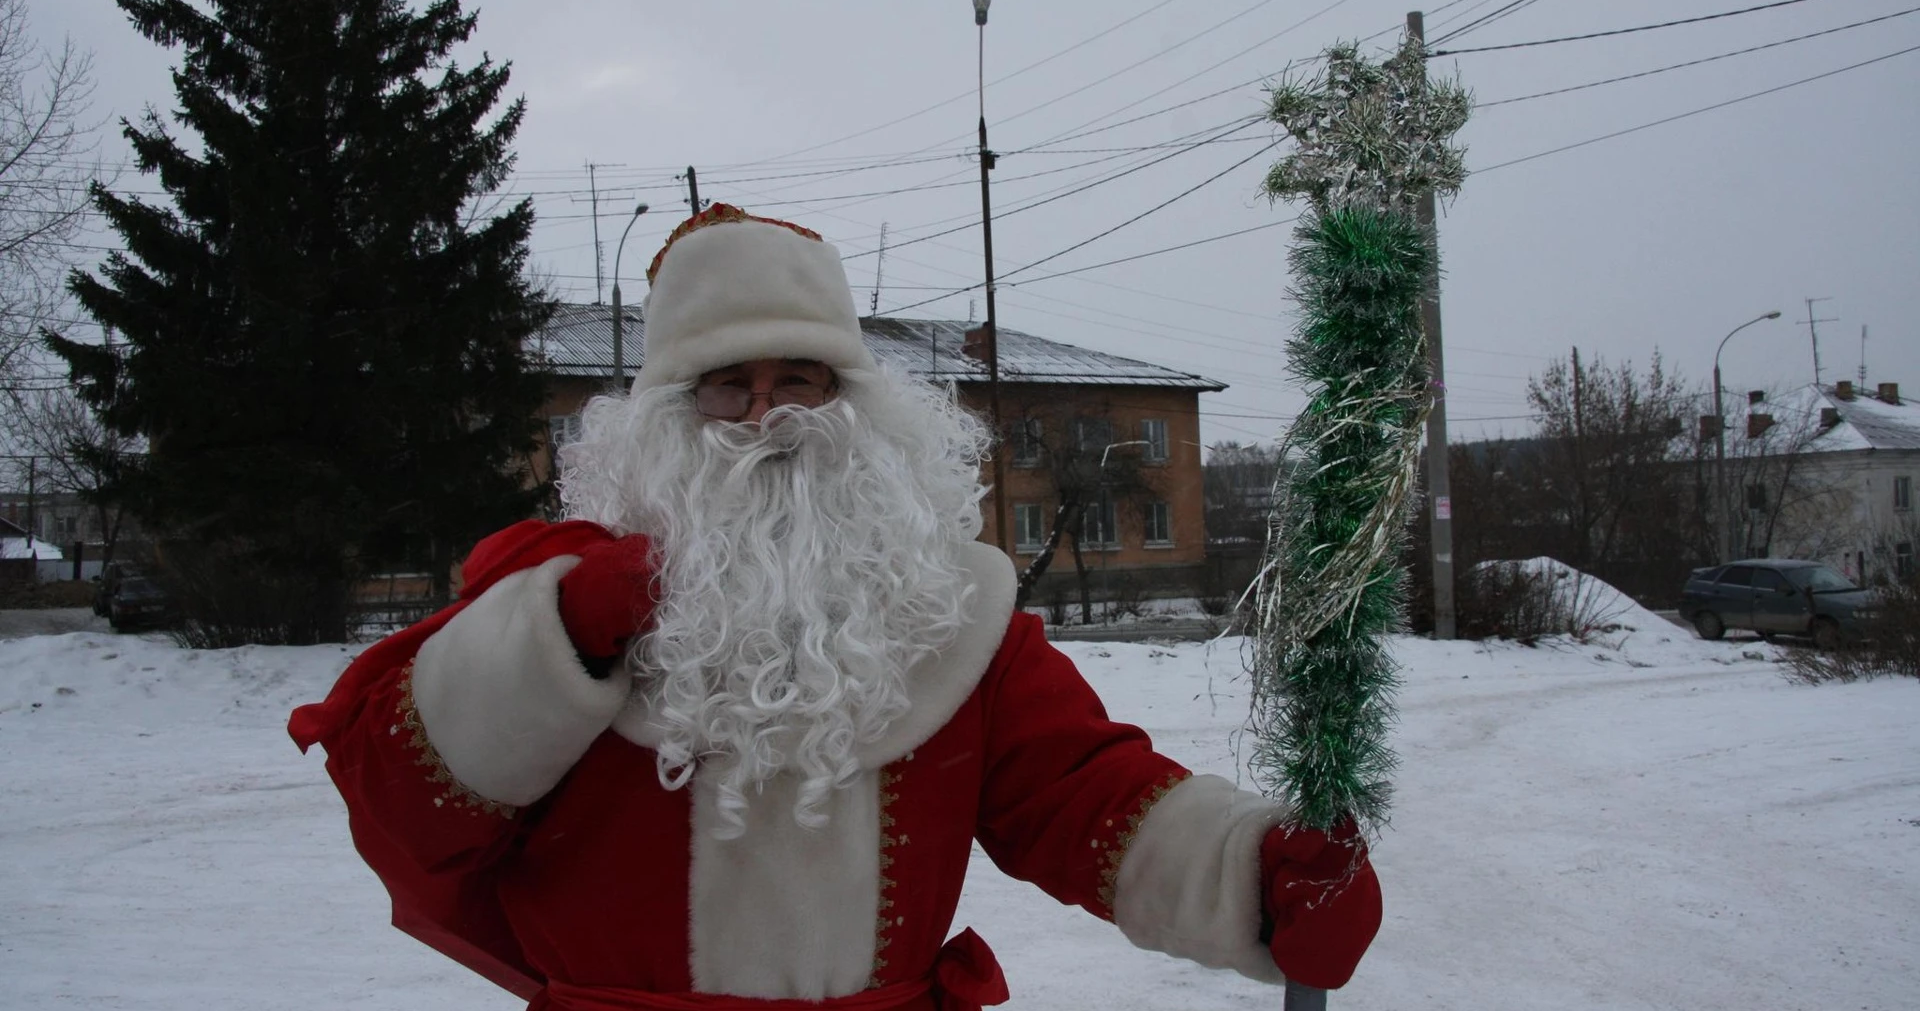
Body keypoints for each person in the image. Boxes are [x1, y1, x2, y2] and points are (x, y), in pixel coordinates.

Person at [290, 204, 1381, 1010]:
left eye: (797, 379)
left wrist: (1250, 874)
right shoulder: (561, 607)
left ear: (851, 402)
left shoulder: (948, 611)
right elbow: (402, 807)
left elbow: (1083, 792)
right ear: (668, 414)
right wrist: (556, 646)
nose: (766, 416)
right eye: (728, 384)